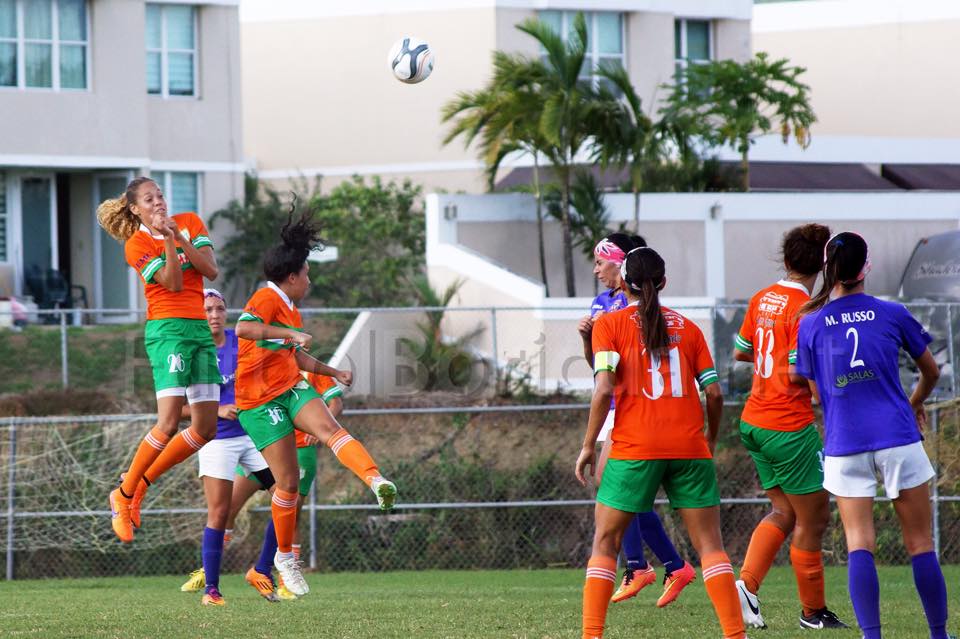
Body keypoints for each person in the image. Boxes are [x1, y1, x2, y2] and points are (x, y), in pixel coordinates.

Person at [576, 247, 747, 639]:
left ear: (624, 283)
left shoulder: (611, 324)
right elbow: (715, 394)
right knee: (711, 548)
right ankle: (737, 635)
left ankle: (591, 635)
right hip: (689, 449)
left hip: (634, 449)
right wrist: (710, 437)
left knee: (605, 541)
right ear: (663, 282)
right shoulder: (690, 328)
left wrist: (588, 445)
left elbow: (603, 388)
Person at [796, 232, 954, 639]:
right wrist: (915, 402)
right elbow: (931, 371)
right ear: (866, 267)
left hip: (845, 443)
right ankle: (938, 635)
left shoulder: (810, 323)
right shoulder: (892, 312)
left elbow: (814, 392)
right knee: (920, 542)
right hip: (898, 435)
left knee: (859, 543)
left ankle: (873, 636)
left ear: (828, 269)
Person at [234, 209, 397, 597]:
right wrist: (289, 332)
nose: (309, 279)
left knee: (331, 430)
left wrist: (332, 371)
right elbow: (242, 328)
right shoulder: (267, 297)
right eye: (307, 273)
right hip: (257, 402)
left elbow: (295, 355)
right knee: (287, 483)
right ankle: (284, 559)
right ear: (291, 277)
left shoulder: (291, 307)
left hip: (289, 387)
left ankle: (376, 480)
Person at [732, 224, 847, 630]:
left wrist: (775, 359)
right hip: (787, 424)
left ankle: (745, 586)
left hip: (754, 420)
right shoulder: (808, 308)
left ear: (785, 261)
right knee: (814, 519)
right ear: (824, 266)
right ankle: (813, 613)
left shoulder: (763, 297)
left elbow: (741, 352)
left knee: (783, 511)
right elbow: (801, 374)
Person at [97, 177, 220, 543]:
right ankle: (123, 494)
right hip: (168, 332)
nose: (159, 203)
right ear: (135, 209)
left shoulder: (190, 222)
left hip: (199, 330)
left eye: (160, 196)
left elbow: (210, 271)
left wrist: (178, 236)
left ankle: (139, 487)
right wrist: (167, 238)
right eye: (149, 200)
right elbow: (175, 283)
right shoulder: (136, 244)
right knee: (167, 423)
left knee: (205, 429)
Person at [577, 233, 695, 606]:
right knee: (617, 491)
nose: (596, 269)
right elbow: (601, 370)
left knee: (614, 489)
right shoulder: (601, 305)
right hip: (613, 406)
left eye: (601, 261)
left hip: (636, 409)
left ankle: (642, 566)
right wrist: (586, 340)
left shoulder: (645, 306)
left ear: (622, 263)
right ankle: (668, 565)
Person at [180, 368, 344, 602]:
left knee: (290, 509)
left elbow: (335, 402)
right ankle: (210, 570)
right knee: (226, 509)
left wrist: (321, 429)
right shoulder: (265, 362)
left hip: (298, 451)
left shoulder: (311, 370)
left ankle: (271, 572)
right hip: (264, 444)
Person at [183, 288, 283, 606]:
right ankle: (212, 590)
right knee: (220, 512)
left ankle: (262, 569)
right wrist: (217, 410)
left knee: (288, 495)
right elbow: (177, 409)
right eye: (208, 309)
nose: (214, 315)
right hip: (216, 440)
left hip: (253, 436)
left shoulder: (240, 342)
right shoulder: (191, 351)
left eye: (219, 308)